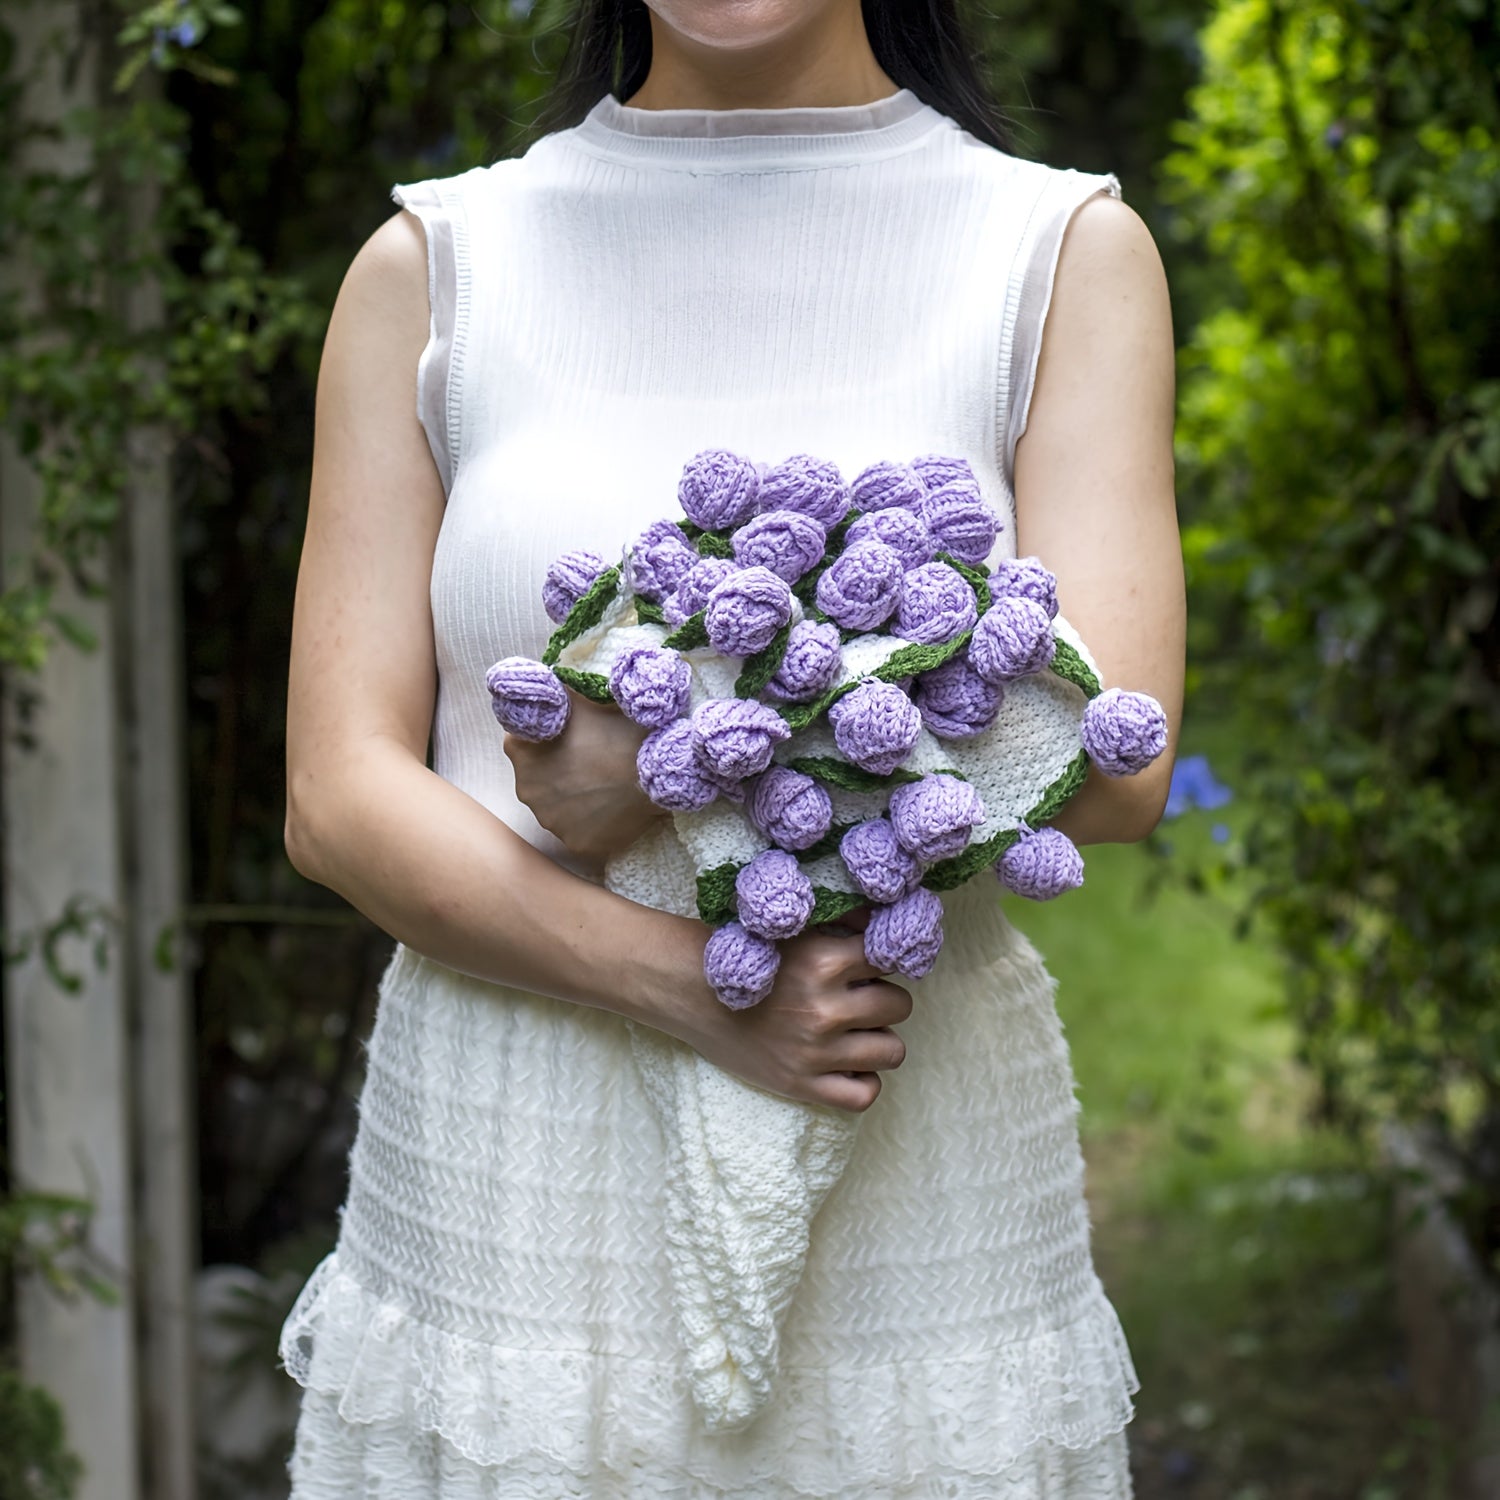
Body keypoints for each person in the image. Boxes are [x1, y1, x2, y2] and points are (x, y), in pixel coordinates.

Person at [277, 0, 1185, 1493]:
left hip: (903, 1147)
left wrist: (646, 762)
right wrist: (683, 983)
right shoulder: (436, 269)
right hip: (509, 1187)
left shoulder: (1058, 253)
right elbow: (336, 792)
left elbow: (1118, 750)